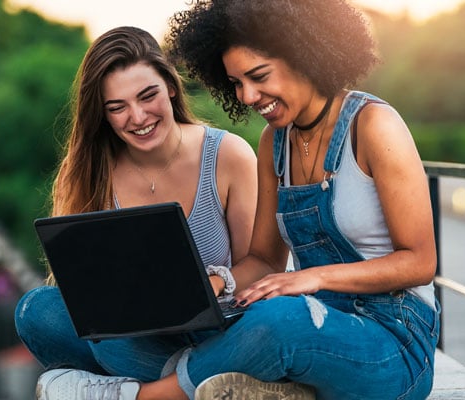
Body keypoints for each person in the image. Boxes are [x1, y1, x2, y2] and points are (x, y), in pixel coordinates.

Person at [33, 1, 441, 399]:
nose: (247, 96)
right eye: (236, 83)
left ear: (304, 54)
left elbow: (420, 262)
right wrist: (212, 285)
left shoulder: (373, 125)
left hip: (394, 339)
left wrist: (313, 277)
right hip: (314, 326)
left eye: (258, 76)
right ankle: (230, 383)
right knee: (46, 313)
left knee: (279, 320)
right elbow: (263, 261)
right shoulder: (274, 142)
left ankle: (150, 395)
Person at [14, 25, 258, 397]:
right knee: (36, 311)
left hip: (211, 329)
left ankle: (135, 392)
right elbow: (84, 293)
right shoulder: (89, 172)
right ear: (104, 115)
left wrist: (216, 281)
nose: (138, 116)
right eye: (118, 108)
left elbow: (261, 264)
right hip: (131, 335)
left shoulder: (228, 155)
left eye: (148, 96)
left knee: (110, 344)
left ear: (171, 87)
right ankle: (186, 385)